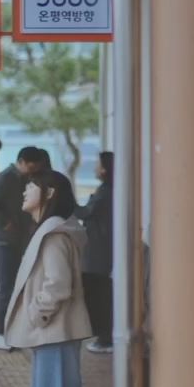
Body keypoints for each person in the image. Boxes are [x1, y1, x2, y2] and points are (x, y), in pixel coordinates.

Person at [3, 168, 93, 387]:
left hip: (55, 332)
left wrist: (36, 315)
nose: (25, 191)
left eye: (31, 186)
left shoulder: (53, 234)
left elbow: (58, 285)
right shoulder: (54, 230)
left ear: (50, 193)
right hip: (54, 333)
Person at [0, 145, 46, 347]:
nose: (32, 171)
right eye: (30, 167)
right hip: (3, 240)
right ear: (21, 162)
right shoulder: (4, 178)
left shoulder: (24, 178)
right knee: (7, 288)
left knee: (14, 288)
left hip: (16, 240)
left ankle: (7, 331)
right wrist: (3, 222)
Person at [77, 151, 115, 353]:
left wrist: (67, 203)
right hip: (101, 251)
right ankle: (104, 336)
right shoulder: (109, 189)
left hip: (99, 253)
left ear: (105, 169)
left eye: (98, 165)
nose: (95, 168)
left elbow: (86, 212)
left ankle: (104, 337)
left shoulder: (105, 191)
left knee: (99, 295)